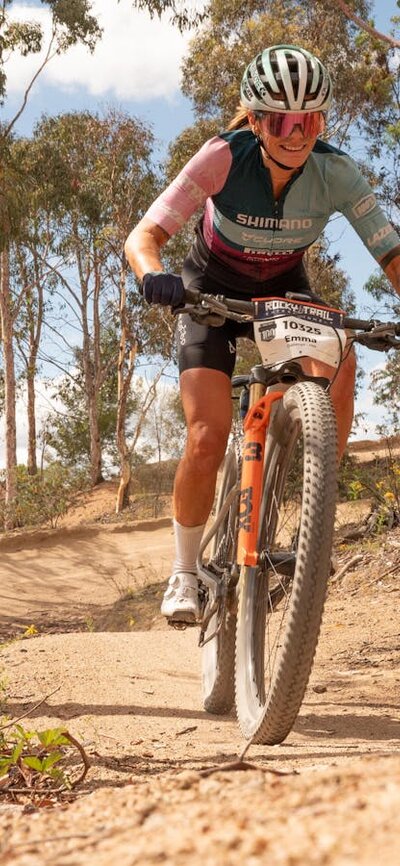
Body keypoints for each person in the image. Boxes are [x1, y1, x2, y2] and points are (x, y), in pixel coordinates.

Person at [125, 44, 400, 624]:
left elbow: (392, 256)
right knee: (206, 435)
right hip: (209, 291)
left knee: (343, 358)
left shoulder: (337, 173)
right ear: (254, 120)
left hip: (282, 292)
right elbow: (143, 238)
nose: (296, 135)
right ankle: (183, 571)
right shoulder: (221, 157)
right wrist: (154, 277)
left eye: (309, 122)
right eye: (280, 122)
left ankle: (314, 515)